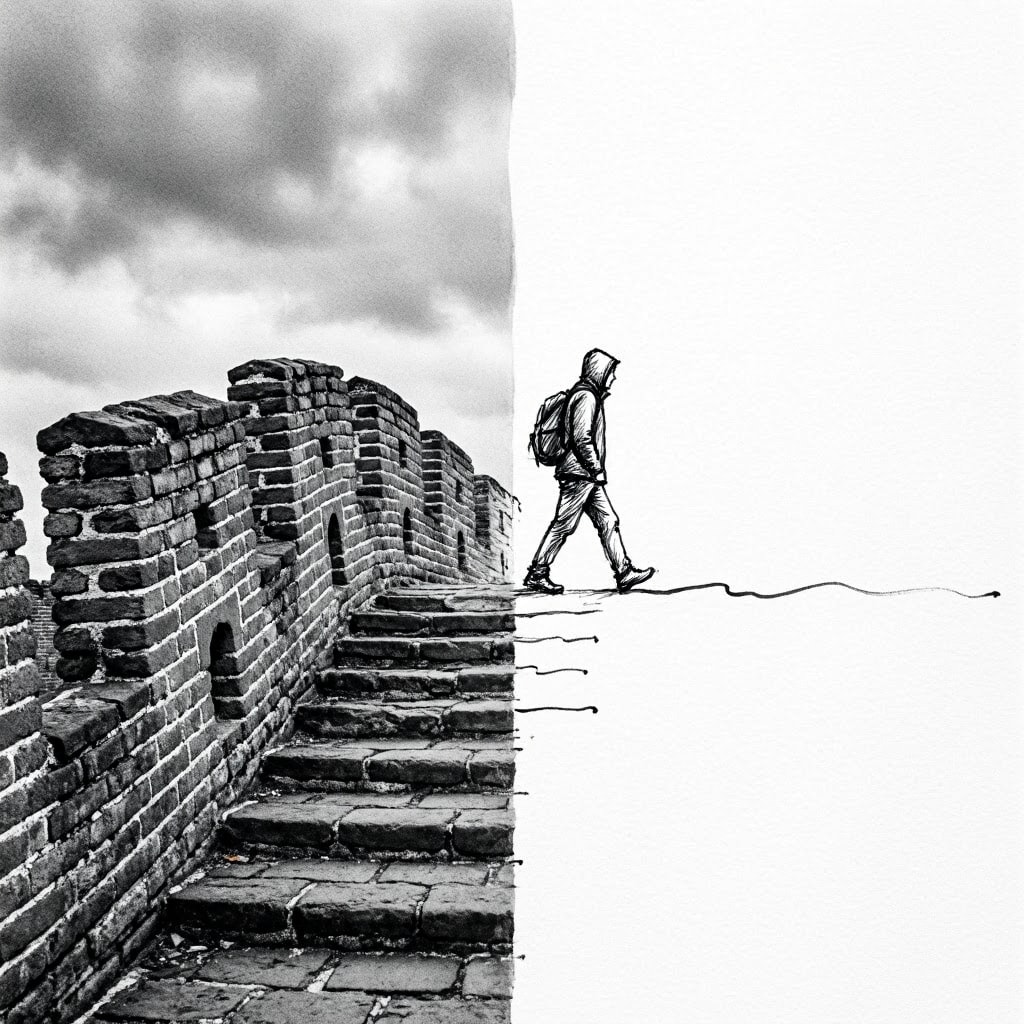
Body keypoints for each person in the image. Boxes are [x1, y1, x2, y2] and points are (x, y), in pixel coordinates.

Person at [524, 348, 655, 594]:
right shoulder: (586, 397)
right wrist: (596, 468)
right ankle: (537, 573)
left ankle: (624, 573)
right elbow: (581, 437)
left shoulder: (588, 395)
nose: (613, 379)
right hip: (579, 474)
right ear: (599, 372)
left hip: (584, 475)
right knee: (563, 525)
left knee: (608, 520)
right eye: (611, 373)